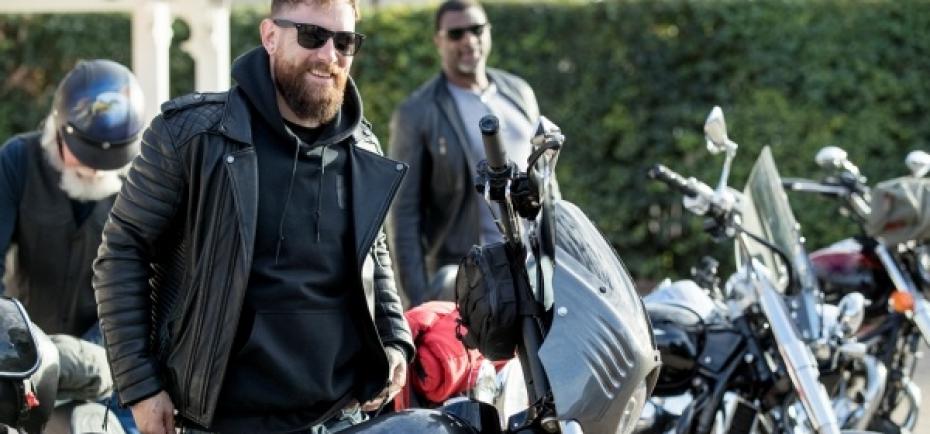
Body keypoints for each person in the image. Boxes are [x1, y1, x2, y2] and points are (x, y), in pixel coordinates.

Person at [92, 0, 414, 433]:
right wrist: (140, 386)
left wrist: (395, 339)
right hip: (222, 420)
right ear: (269, 36)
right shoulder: (190, 136)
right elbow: (121, 253)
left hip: (341, 416)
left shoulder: (364, 148)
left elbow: (374, 254)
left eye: (344, 41)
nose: (328, 55)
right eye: (311, 36)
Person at [0, 59, 144, 406]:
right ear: (60, 129)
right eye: (86, 156)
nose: (96, 171)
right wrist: (13, 343)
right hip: (25, 351)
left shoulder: (142, 181)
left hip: (109, 361)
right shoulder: (18, 159)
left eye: (108, 162)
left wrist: (94, 354)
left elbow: (146, 285)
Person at [387, 0, 540, 307]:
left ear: (489, 32)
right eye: (456, 33)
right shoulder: (417, 112)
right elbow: (403, 217)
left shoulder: (520, 92)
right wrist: (418, 307)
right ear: (439, 41)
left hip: (536, 265)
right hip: (472, 279)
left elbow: (546, 177)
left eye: (476, 29)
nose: (469, 40)